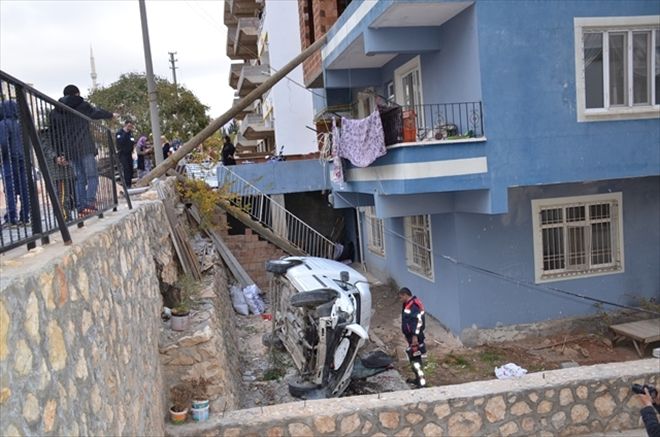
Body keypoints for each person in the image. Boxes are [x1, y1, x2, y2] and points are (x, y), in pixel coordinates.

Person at [59, 84, 114, 216]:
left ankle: (81, 206)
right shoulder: (82, 105)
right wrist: (110, 114)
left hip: (70, 149)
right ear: (77, 93)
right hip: (85, 146)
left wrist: (61, 152)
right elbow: (95, 113)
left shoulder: (60, 109)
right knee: (92, 176)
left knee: (80, 178)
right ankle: (89, 203)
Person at [0, 100, 29, 226]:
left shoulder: (3, 124)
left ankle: (11, 217)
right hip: (22, 158)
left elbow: (3, 143)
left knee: (10, 189)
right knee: (24, 188)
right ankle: (25, 216)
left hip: (9, 159)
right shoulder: (21, 124)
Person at [399, 287, 427, 388]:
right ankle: (418, 379)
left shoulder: (413, 306)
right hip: (411, 337)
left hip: (415, 337)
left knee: (416, 360)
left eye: (401, 297)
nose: (400, 299)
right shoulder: (407, 304)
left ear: (406, 295)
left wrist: (415, 336)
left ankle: (422, 383)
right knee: (413, 359)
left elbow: (418, 322)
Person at [115, 120, 136, 188]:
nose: (130, 127)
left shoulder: (131, 134)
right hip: (122, 153)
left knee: (130, 169)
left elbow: (132, 142)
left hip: (129, 153)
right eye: (129, 126)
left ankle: (129, 183)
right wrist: (125, 133)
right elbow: (120, 142)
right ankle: (127, 185)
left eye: (131, 126)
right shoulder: (119, 133)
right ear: (125, 125)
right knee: (126, 168)